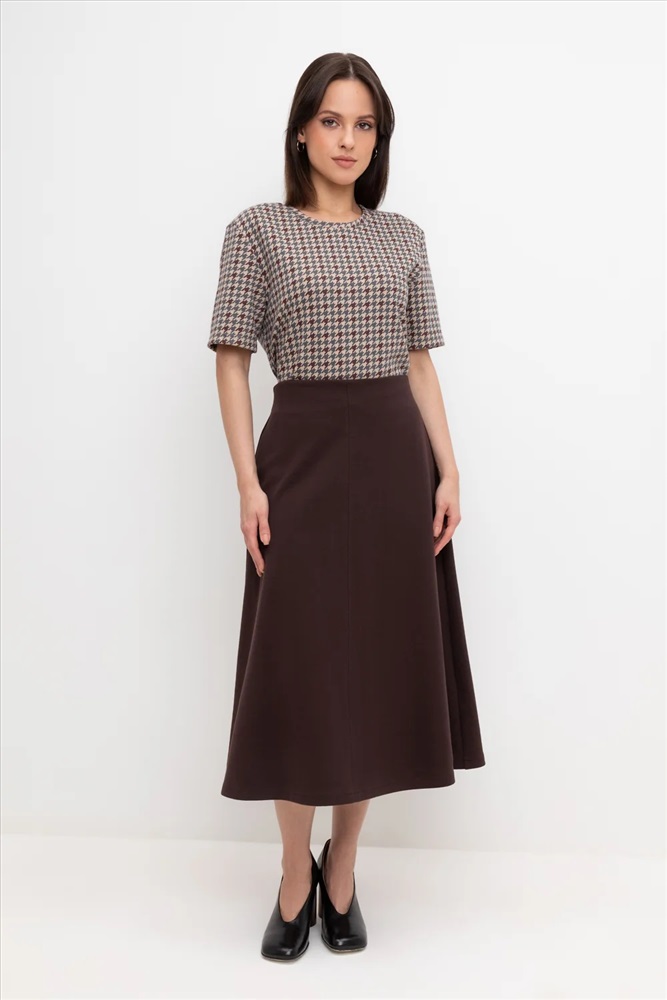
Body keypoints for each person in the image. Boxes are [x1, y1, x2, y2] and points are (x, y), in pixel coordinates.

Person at [207, 52, 486, 962]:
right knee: (298, 674)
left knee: (369, 673)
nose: (347, 140)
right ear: (301, 130)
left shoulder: (401, 235)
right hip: (300, 465)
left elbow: (417, 362)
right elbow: (232, 358)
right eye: (332, 121)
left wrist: (448, 470)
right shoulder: (257, 231)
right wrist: (247, 481)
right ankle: (294, 872)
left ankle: (343, 871)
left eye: (364, 125)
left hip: (391, 467)